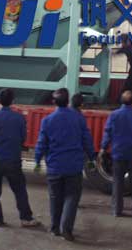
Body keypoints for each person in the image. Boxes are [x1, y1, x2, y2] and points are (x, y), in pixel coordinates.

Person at [34, 88, 96, 242]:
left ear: (53, 102)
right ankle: (66, 229)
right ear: (68, 101)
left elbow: (41, 144)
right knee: (72, 197)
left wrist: (37, 161)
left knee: (55, 197)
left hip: (54, 166)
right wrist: (92, 158)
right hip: (73, 166)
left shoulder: (47, 121)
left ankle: (55, 228)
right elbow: (87, 140)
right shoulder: (78, 118)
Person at [0, 88, 39, 228]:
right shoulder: (19, 118)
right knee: (19, 190)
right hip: (12, 159)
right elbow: (23, 139)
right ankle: (26, 219)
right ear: (13, 101)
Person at [101, 90, 132, 217]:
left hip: (118, 153)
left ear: (121, 101)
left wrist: (103, 147)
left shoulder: (114, 115)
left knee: (117, 182)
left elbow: (108, 132)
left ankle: (116, 210)